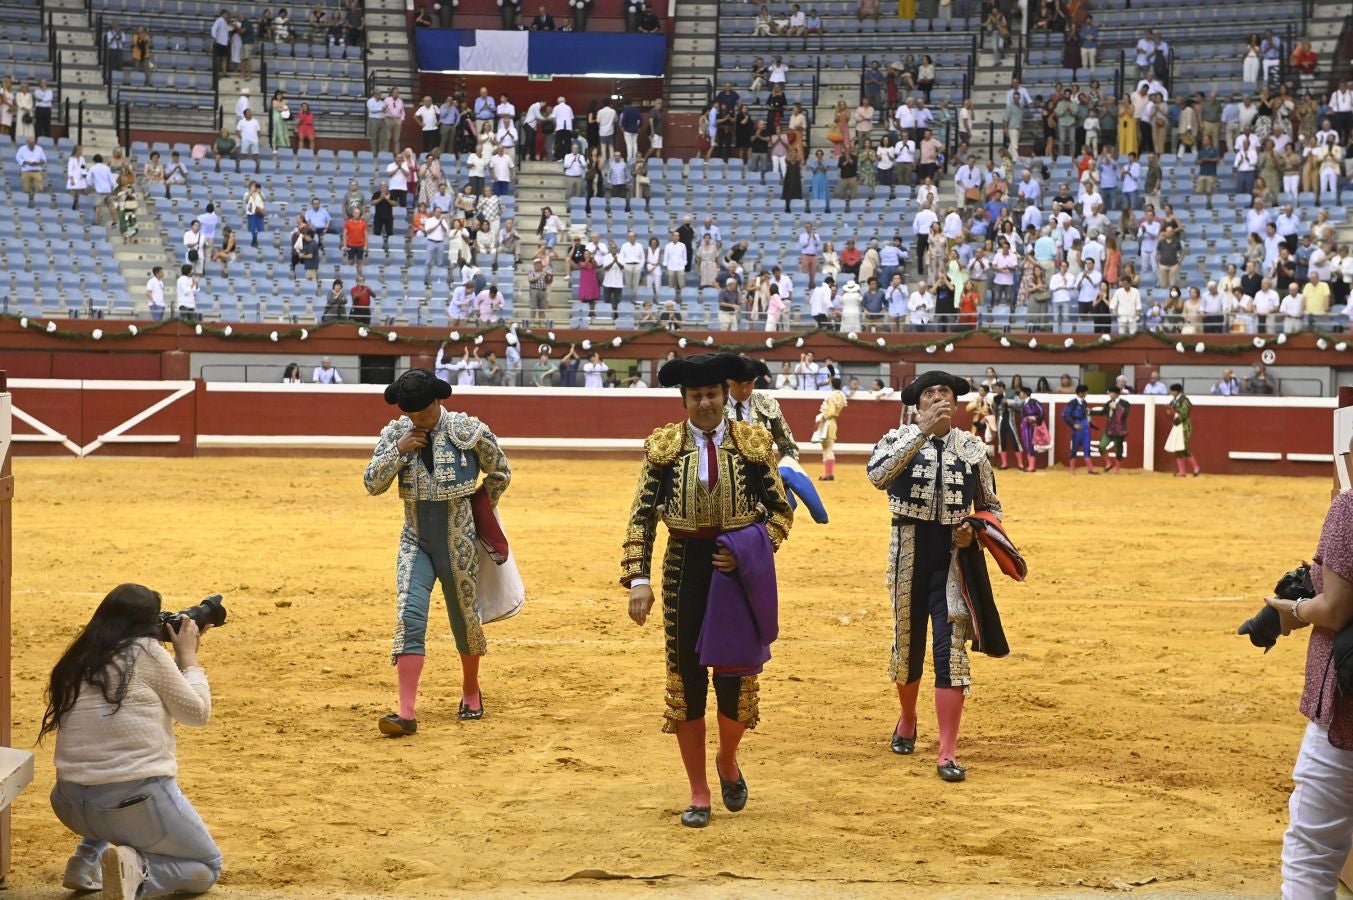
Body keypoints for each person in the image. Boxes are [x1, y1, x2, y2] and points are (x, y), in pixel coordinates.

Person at [622, 353, 794, 829]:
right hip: (683, 568)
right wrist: (639, 579)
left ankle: (727, 758)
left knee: (736, 678)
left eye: (712, 394)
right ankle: (699, 791)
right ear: (684, 400)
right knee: (687, 680)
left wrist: (748, 551)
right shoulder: (663, 448)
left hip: (736, 571)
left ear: (724, 395)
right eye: (696, 396)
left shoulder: (754, 443)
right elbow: (641, 517)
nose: (705, 403)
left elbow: (780, 512)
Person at [867, 371, 1007, 783]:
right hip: (908, 555)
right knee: (908, 646)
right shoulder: (898, 439)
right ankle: (908, 718)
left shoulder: (973, 449)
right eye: (929, 393)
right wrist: (920, 432)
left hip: (952, 560)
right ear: (918, 405)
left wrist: (974, 532)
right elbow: (877, 476)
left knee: (951, 652)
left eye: (944, 392)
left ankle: (947, 752)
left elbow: (991, 507)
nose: (938, 398)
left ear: (955, 402)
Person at [41, 583, 220, 898]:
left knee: (107, 768)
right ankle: (137, 874)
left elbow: (144, 712)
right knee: (206, 866)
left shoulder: (80, 656)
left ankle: (85, 861)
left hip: (69, 804)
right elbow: (197, 713)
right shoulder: (147, 651)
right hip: (133, 805)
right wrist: (188, 658)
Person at [363, 369, 512, 737]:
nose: (418, 420)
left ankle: (471, 690)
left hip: (458, 540)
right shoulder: (398, 435)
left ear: (438, 401)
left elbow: (500, 471)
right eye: (411, 414)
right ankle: (406, 712)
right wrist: (399, 451)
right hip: (415, 538)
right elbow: (372, 483)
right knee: (409, 615)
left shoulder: (467, 430)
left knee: (464, 618)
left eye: (424, 413)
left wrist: (481, 508)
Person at [1265, 490, 1353, 896]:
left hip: (1346, 719)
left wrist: (1293, 609)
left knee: (1311, 859)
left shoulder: (1349, 507)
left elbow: (1335, 610)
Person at [1164, 383, 1201, 477]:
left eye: (1172, 391)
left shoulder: (1184, 401)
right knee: (1177, 448)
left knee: (1183, 448)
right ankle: (1182, 471)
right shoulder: (1173, 401)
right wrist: (1169, 412)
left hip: (1184, 426)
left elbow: (1184, 414)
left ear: (1177, 391)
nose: (1171, 393)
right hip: (1177, 426)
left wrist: (1175, 419)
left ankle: (1196, 468)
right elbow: (1171, 413)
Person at [815, 377, 847, 481]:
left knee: (827, 449)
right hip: (833, 423)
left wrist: (822, 418)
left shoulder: (832, 396)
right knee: (829, 449)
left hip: (827, 423)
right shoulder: (840, 396)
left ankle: (827, 474)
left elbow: (831, 411)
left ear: (831, 384)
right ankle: (829, 473)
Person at [1093, 385, 1130, 473]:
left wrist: (1116, 407)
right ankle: (1108, 463)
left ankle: (1117, 469)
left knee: (1118, 449)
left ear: (1116, 393)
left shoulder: (1125, 403)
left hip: (1120, 430)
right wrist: (1090, 411)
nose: (1109, 394)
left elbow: (1126, 414)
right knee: (1102, 446)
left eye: (1110, 392)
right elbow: (1103, 412)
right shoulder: (1108, 403)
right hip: (1109, 429)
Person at [1062, 383, 1098, 474]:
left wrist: (1091, 424)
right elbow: (1065, 415)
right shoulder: (1073, 402)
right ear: (1081, 393)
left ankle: (1090, 469)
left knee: (1087, 447)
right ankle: (1072, 469)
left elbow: (1085, 416)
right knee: (1075, 448)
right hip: (1077, 426)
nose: (1087, 394)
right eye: (1086, 392)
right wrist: (1073, 425)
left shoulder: (1084, 403)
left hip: (1085, 426)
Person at [1017, 385, 1045, 472]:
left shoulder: (1033, 402)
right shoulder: (1024, 403)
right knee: (1027, 444)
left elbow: (1041, 411)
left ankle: (1032, 466)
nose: (1020, 394)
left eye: (1021, 392)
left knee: (1030, 444)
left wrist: (1037, 422)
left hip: (1031, 425)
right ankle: (1030, 465)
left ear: (1025, 393)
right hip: (1025, 425)